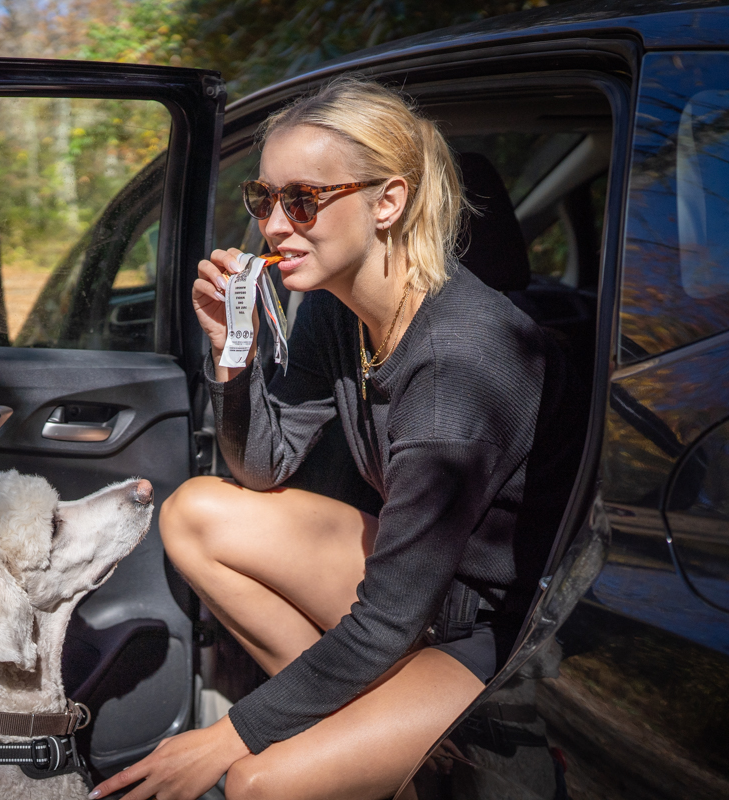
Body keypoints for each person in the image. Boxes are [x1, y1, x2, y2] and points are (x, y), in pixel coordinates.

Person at [88, 76, 581, 800]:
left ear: (388, 201)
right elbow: (262, 469)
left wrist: (229, 737)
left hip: (499, 634)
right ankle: (365, 724)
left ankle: (380, 731)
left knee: (259, 782)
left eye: (304, 200)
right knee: (196, 512)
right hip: (413, 596)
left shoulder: (461, 364)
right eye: (265, 200)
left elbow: (387, 616)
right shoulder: (334, 309)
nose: (274, 227)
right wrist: (235, 355)